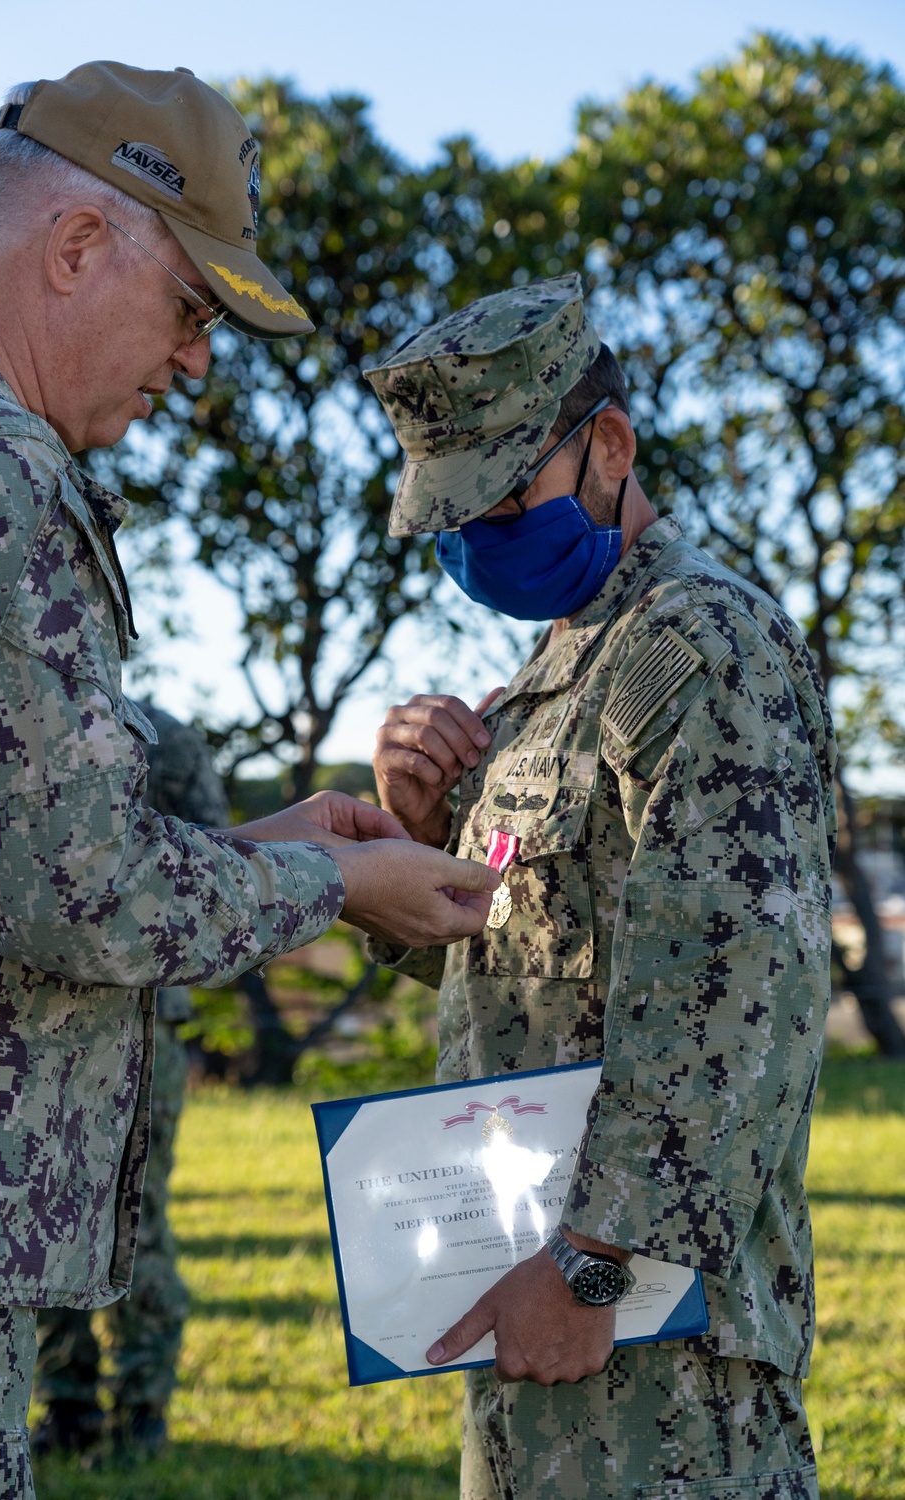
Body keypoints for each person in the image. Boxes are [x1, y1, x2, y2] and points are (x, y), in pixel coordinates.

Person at [0, 61, 499, 1498]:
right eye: (190, 311)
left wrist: (262, 846)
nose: (195, 365)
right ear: (74, 248)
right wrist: (337, 880)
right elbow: (86, 901)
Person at [367, 273, 835, 1500]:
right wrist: (420, 833)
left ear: (609, 446)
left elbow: (740, 998)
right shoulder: (560, 670)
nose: (475, 544)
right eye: (452, 521)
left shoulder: (703, 646)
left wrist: (592, 1266)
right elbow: (516, 954)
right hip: (534, 1293)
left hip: (654, 1332)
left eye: (499, 500)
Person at [33, 705, 230, 1458]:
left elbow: (220, 863)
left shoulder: (48, 724)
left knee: (112, 1222)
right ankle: (87, 1408)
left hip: (110, 1016)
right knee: (83, 1220)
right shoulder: (156, 734)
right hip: (97, 1014)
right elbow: (220, 860)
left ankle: (115, 1409)